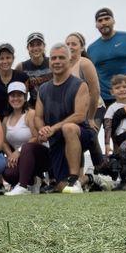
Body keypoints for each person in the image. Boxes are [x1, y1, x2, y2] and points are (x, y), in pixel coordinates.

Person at [34, 43, 96, 194]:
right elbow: (37, 116)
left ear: (69, 61)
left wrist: (54, 127)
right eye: (54, 58)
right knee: (62, 188)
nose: (57, 61)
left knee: (68, 128)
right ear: (49, 62)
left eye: (61, 58)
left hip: (81, 134)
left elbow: (80, 116)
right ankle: (89, 178)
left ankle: (74, 178)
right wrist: (42, 128)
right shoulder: (43, 89)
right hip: (57, 140)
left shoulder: (80, 85)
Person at [87, 7, 126, 106]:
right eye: (100, 20)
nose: (103, 22)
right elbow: (91, 75)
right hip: (105, 99)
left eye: (107, 19)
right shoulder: (91, 48)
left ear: (113, 21)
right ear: (96, 25)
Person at [1, 82, 50, 196]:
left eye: (19, 95)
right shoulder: (6, 119)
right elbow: (3, 142)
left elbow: (37, 138)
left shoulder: (30, 114)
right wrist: (10, 155)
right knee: (9, 173)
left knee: (27, 147)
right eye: (13, 95)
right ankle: (33, 181)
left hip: (41, 155)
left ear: (25, 97)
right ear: (8, 98)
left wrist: (18, 151)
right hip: (21, 157)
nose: (16, 98)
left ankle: (22, 186)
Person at [66, 32, 106, 170]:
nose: (70, 47)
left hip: (94, 108)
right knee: (75, 141)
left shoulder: (84, 63)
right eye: (67, 44)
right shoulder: (64, 67)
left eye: (74, 44)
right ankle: (80, 175)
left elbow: (95, 91)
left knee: (90, 137)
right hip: (77, 111)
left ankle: (102, 169)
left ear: (82, 48)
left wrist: (90, 117)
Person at [0, 43, 29, 121]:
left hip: (17, 119)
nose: (5, 61)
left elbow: (24, 98)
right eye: (1, 58)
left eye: (8, 57)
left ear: (13, 58)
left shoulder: (22, 77)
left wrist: (15, 119)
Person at [15, 32, 52, 107]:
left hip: (53, 103)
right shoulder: (21, 67)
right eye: (32, 45)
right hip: (33, 105)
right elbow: (12, 82)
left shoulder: (52, 62)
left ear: (44, 46)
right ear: (28, 48)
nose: (35, 48)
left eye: (38, 44)